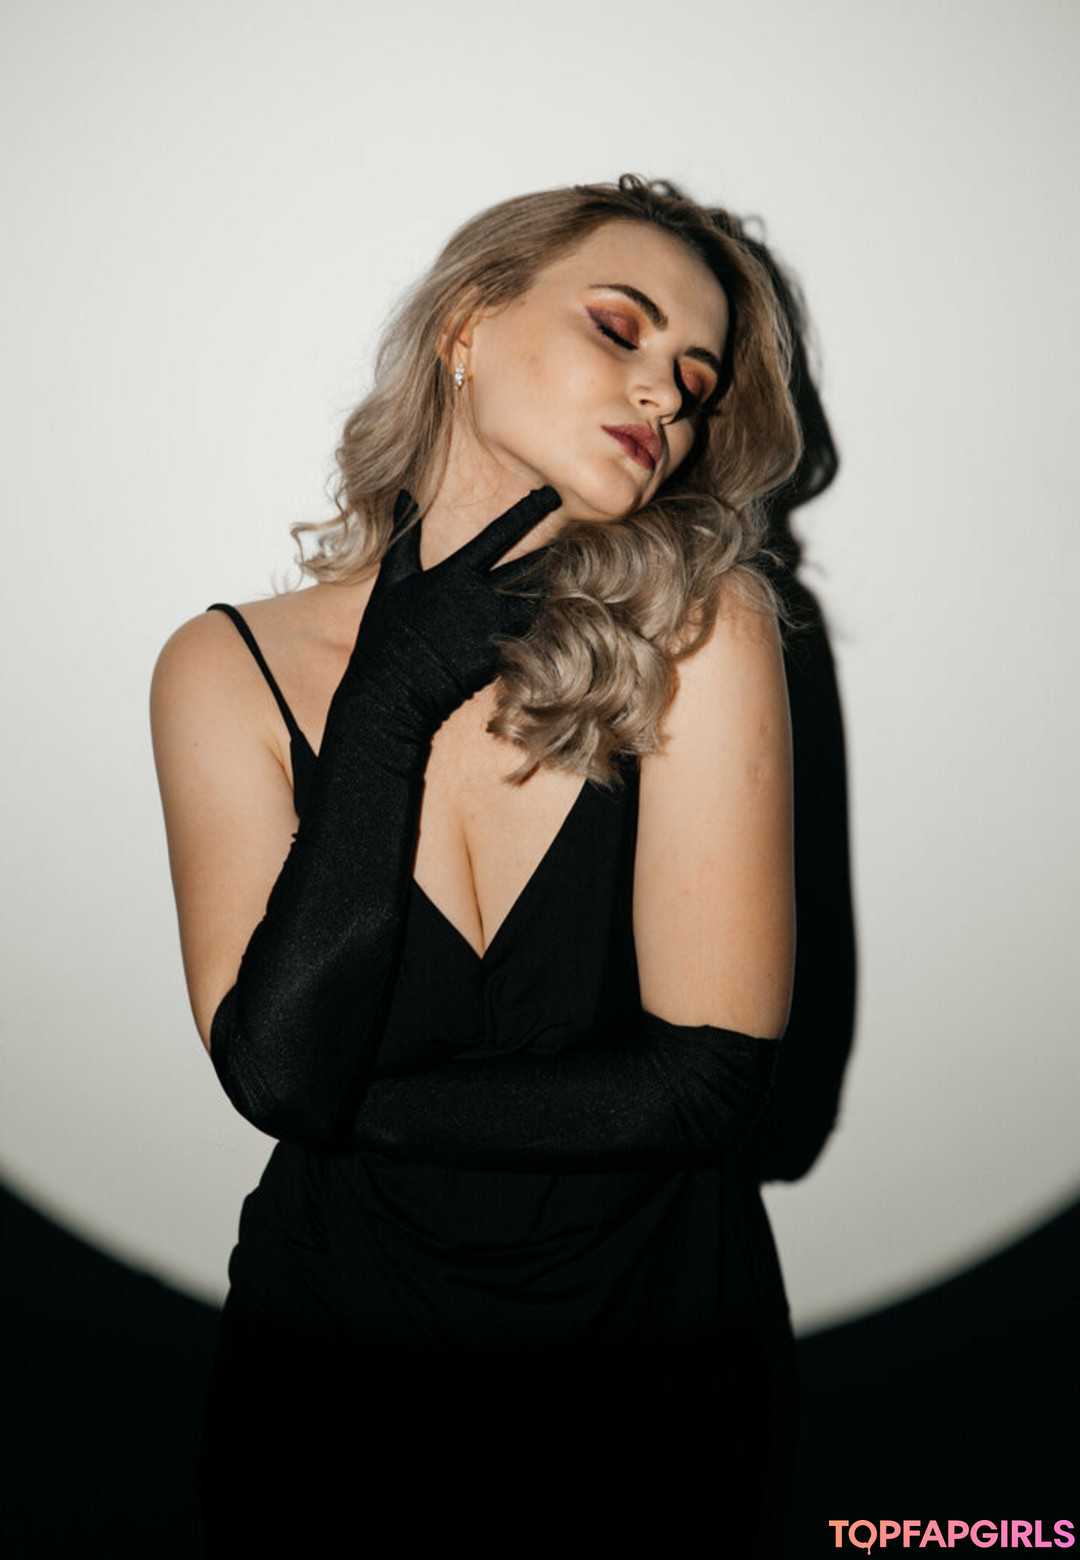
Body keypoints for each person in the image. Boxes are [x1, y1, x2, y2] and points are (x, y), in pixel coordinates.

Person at [150, 174, 805, 1557]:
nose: (666, 395)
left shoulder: (704, 629)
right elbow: (275, 1072)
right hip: (329, 1370)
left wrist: (357, 1110)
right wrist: (386, 706)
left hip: (649, 1369)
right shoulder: (225, 667)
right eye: (620, 327)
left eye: (695, 381)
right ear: (468, 323)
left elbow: (704, 1081)